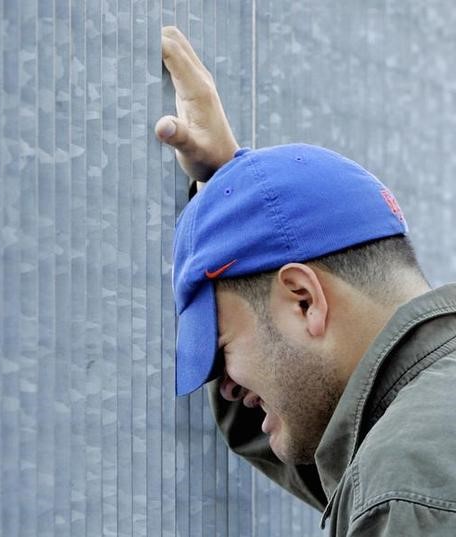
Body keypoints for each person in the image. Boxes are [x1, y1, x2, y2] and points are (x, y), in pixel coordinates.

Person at [156, 26, 456, 536]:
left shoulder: (404, 488)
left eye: (221, 345)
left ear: (303, 300)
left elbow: (382, 485)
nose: (224, 384)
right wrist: (227, 194)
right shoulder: (425, 432)